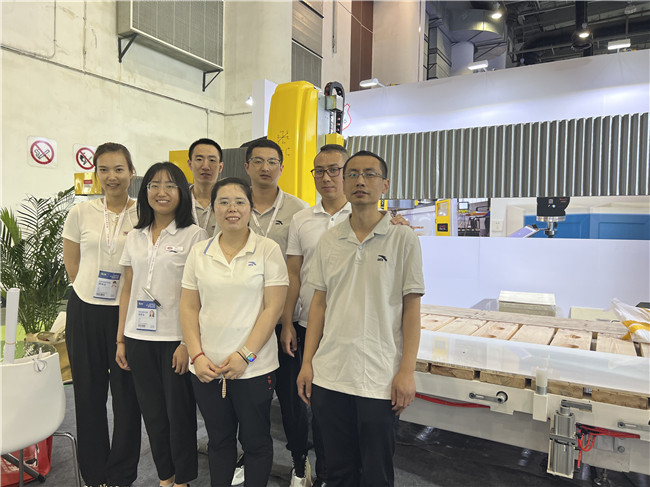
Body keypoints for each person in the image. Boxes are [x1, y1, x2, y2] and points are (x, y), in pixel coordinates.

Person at [297, 150, 425, 487]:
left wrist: (407, 371)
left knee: (376, 472)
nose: (360, 181)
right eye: (352, 174)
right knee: (337, 470)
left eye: (369, 174)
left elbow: (411, 308)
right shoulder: (330, 240)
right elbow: (319, 305)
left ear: (385, 184)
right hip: (331, 374)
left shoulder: (403, 238)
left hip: (379, 377)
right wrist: (308, 363)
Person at [180, 177, 289, 487]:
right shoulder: (199, 252)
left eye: (240, 202)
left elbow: (273, 309)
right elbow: (188, 307)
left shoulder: (267, 250)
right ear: (213, 208)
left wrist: (245, 355)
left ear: (250, 208)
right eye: (224, 202)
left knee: (256, 441)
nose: (232, 209)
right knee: (219, 440)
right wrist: (197, 356)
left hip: (254, 368)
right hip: (207, 368)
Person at [116, 162, 208, 487]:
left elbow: (198, 295)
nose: (161, 192)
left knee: (178, 415)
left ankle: (182, 479)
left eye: (170, 185)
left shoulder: (195, 235)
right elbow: (127, 288)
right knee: (152, 415)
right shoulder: (135, 236)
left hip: (174, 339)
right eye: (154, 185)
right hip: (137, 337)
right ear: (145, 192)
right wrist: (121, 340)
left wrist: (187, 342)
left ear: (182, 192)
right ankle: (165, 477)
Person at [62, 142, 141, 487]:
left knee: (128, 397)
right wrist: (90, 290)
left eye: (119, 169)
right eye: (104, 169)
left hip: (129, 313)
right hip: (86, 310)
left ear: (131, 172)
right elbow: (73, 264)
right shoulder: (81, 213)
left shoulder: (144, 213)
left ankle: (121, 474)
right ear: (95, 174)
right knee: (88, 394)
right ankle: (94, 475)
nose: (112, 176)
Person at [187, 138, 224, 235]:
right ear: (190, 164)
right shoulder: (179, 201)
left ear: (220, 167)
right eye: (199, 159)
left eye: (212, 160)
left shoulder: (229, 202)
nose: (205, 166)